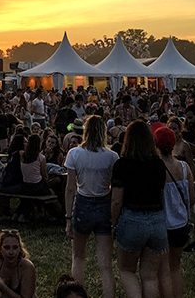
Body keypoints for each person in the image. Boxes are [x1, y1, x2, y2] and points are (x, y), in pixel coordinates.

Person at [63, 114, 118, 298]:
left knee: (78, 257)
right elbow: (113, 185)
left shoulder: (74, 154)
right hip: (104, 204)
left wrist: (68, 218)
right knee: (105, 264)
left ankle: (75, 295)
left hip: (83, 203)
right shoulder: (112, 156)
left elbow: (70, 188)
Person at [110, 120, 166, 298]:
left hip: (132, 218)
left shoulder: (122, 165)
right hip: (157, 219)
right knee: (150, 276)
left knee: (127, 271)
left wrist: (112, 223)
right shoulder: (158, 164)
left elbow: (117, 201)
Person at [154, 126, 192, 298]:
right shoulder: (184, 168)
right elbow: (191, 197)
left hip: (162, 224)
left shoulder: (155, 169)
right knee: (175, 267)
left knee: (162, 269)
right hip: (181, 223)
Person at [0, 229, 36, 298]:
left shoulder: (27, 267)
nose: (11, 252)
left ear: (20, 249)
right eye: (7, 248)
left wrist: (3, 287)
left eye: (15, 247)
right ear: (0, 249)